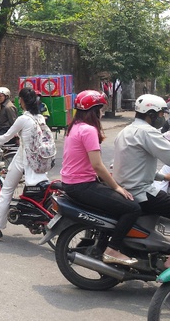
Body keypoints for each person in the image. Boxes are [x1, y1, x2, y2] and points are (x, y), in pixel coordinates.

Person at [58, 90, 139, 264]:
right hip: (82, 186)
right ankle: (113, 249)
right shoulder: (88, 130)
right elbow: (97, 164)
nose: (102, 113)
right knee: (132, 208)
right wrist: (116, 186)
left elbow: (87, 164)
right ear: (93, 110)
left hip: (72, 183)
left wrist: (107, 179)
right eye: (100, 109)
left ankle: (105, 244)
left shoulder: (74, 127)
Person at [0, 87, 49, 240]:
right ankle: (34, 222)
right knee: (39, 191)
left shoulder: (23, 119)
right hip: (39, 158)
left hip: (24, 158)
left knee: (6, 192)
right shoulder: (40, 118)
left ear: (22, 101)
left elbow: (5, 137)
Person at [112, 94, 170, 223]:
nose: (163, 118)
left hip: (125, 188)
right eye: (161, 114)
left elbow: (134, 166)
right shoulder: (147, 132)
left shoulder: (125, 131)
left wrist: (163, 177)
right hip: (140, 193)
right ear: (151, 114)